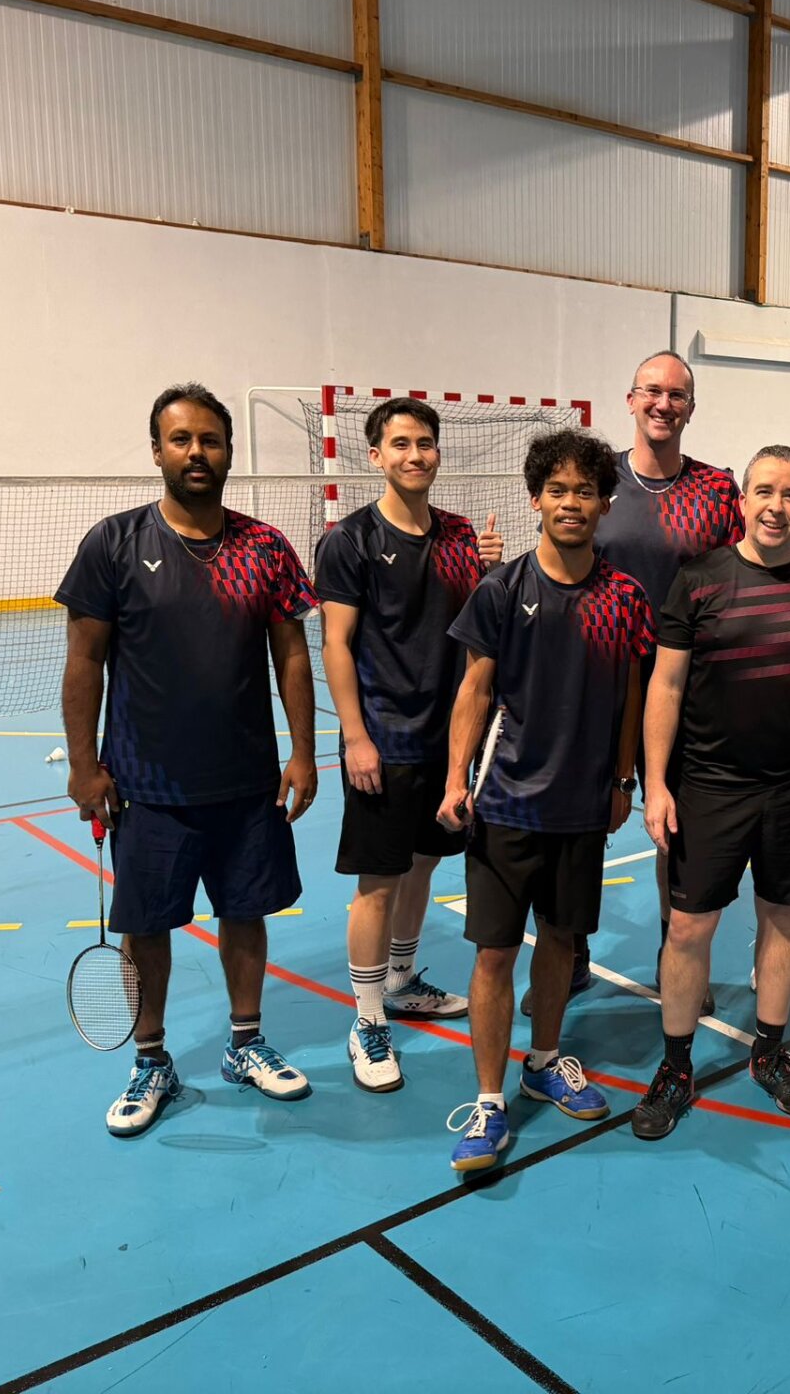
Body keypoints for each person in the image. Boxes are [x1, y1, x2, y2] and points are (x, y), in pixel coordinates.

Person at [58, 383, 319, 1138]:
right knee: (147, 928)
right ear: (157, 451)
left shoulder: (264, 546)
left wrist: (303, 752)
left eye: (210, 439)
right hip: (145, 785)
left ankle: (246, 1043)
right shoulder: (113, 543)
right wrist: (84, 766)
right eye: (181, 439)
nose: (197, 452)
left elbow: (292, 656)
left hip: (246, 780)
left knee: (246, 913)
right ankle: (151, 1060)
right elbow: (84, 662)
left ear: (229, 452)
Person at [439, 430, 655, 1173]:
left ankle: (545, 1060)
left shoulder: (624, 598)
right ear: (535, 499)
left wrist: (623, 779)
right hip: (505, 803)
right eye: (557, 490)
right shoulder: (501, 591)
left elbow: (630, 696)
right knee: (495, 953)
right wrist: (454, 780)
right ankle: (489, 1102)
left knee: (562, 942)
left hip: (583, 804)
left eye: (584, 491)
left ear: (604, 503)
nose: (571, 503)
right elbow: (474, 690)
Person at [631, 446, 790, 1138]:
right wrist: (657, 784)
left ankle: (769, 1053)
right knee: (689, 927)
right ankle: (676, 1067)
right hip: (710, 785)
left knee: (782, 920)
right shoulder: (699, 579)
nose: (775, 507)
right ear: (742, 501)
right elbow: (666, 686)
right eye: (764, 491)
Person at [318, 396, 505, 1093]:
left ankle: (399, 980)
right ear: (375, 456)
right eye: (399, 444)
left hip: (447, 741)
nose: (415, 455)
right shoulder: (351, 541)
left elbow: (476, 626)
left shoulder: (459, 535)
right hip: (385, 739)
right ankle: (368, 1020)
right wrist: (355, 736)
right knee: (378, 882)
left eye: (424, 443)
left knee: (424, 864)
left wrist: (490, 570)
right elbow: (336, 644)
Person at [547, 350, 740, 1020]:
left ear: (691, 407)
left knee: (676, 829)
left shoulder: (717, 490)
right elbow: (556, 559)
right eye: (652, 392)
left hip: (689, 690)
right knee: (578, 828)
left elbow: (742, 573)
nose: (664, 404)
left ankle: (674, 956)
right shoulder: (597, 481)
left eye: (677, 395)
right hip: (596, 684)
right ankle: (568, 951)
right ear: (630, 400)